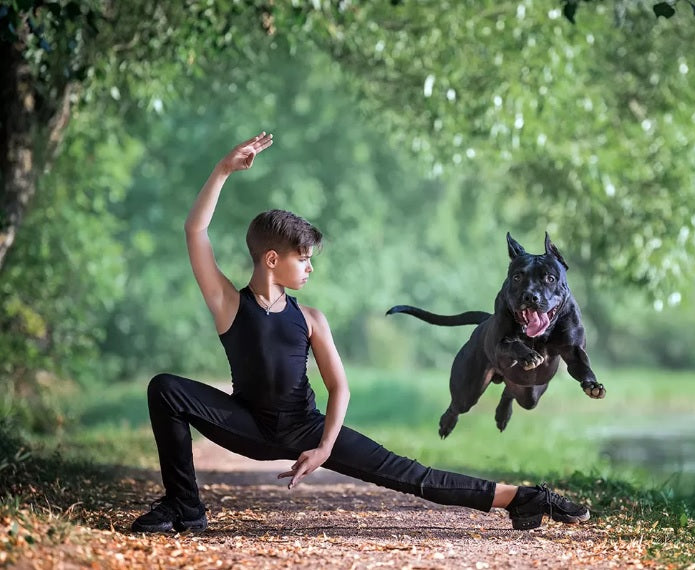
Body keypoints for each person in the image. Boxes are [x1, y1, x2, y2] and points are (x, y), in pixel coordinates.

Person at [130, 133, 591, 534]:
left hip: (306, 429)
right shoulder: (229, 305)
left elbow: (339, 387)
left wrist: (324, 447)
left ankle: (524, 499)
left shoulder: (311, 318)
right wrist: (222, 170)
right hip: (245, 425)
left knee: (414, 475)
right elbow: (196, 230)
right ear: (272, 259)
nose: (310, 267)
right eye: (303, 259)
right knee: (165, 389)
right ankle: (185, 506)